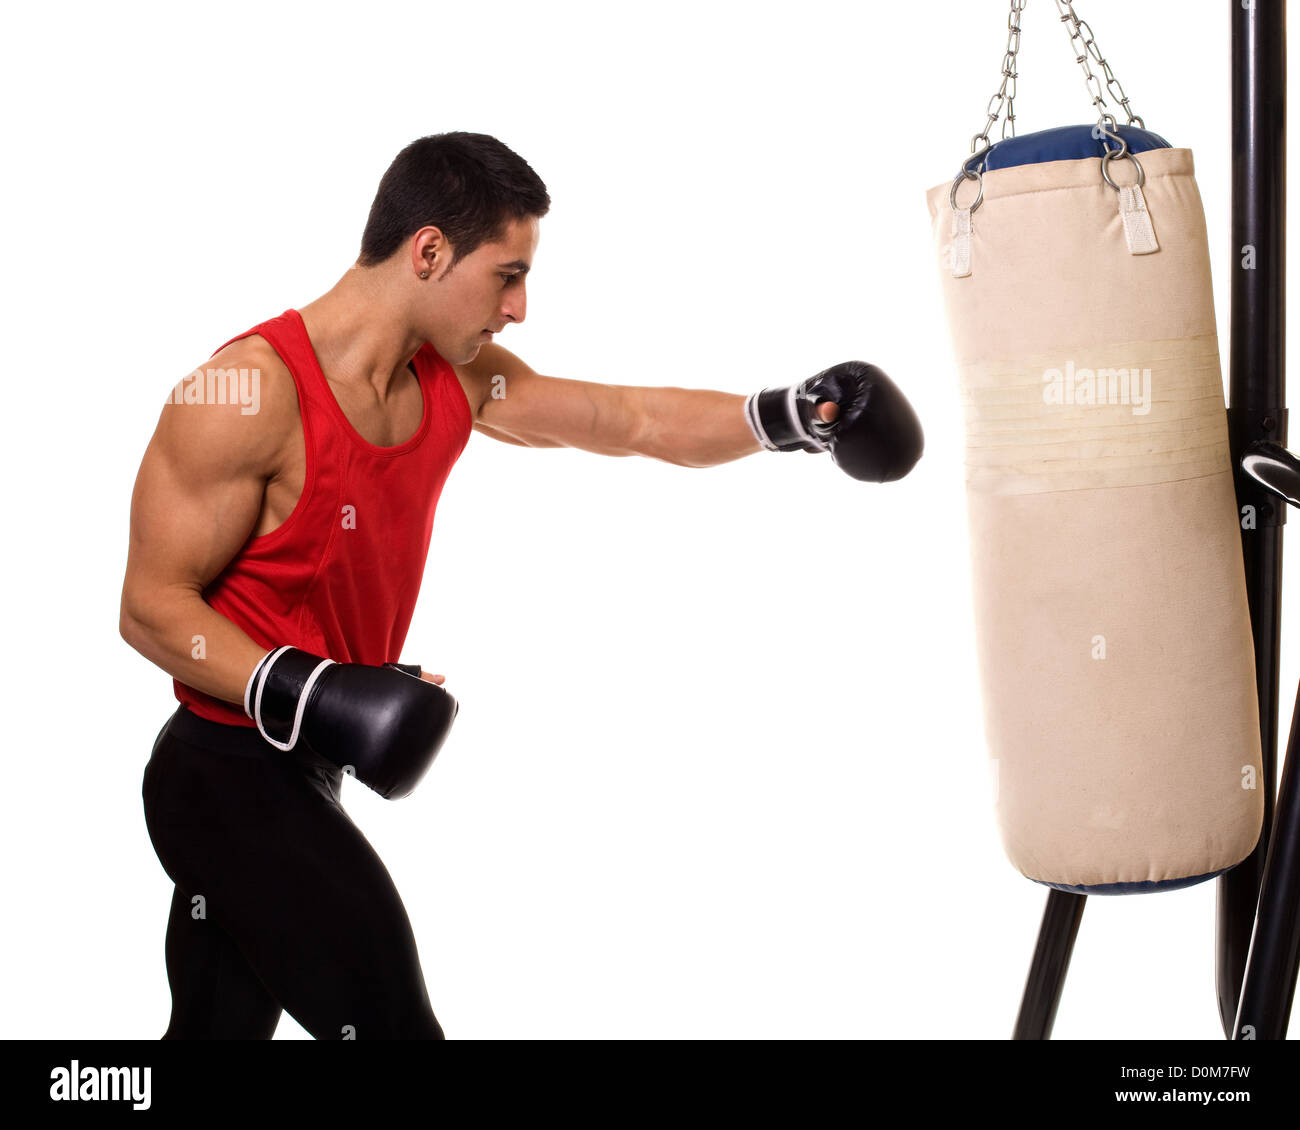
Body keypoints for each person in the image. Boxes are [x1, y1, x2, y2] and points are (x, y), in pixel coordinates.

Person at [119, 130, 923, 1040]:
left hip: (306, 766)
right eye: (506, 274)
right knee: (392, 1024)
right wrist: (315, 688)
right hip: (221, 775)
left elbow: (630, 419)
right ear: (428, 251)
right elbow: (151, 607)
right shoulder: (246, 392)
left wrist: (787, 417)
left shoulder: (456, 380)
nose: (521, 307)